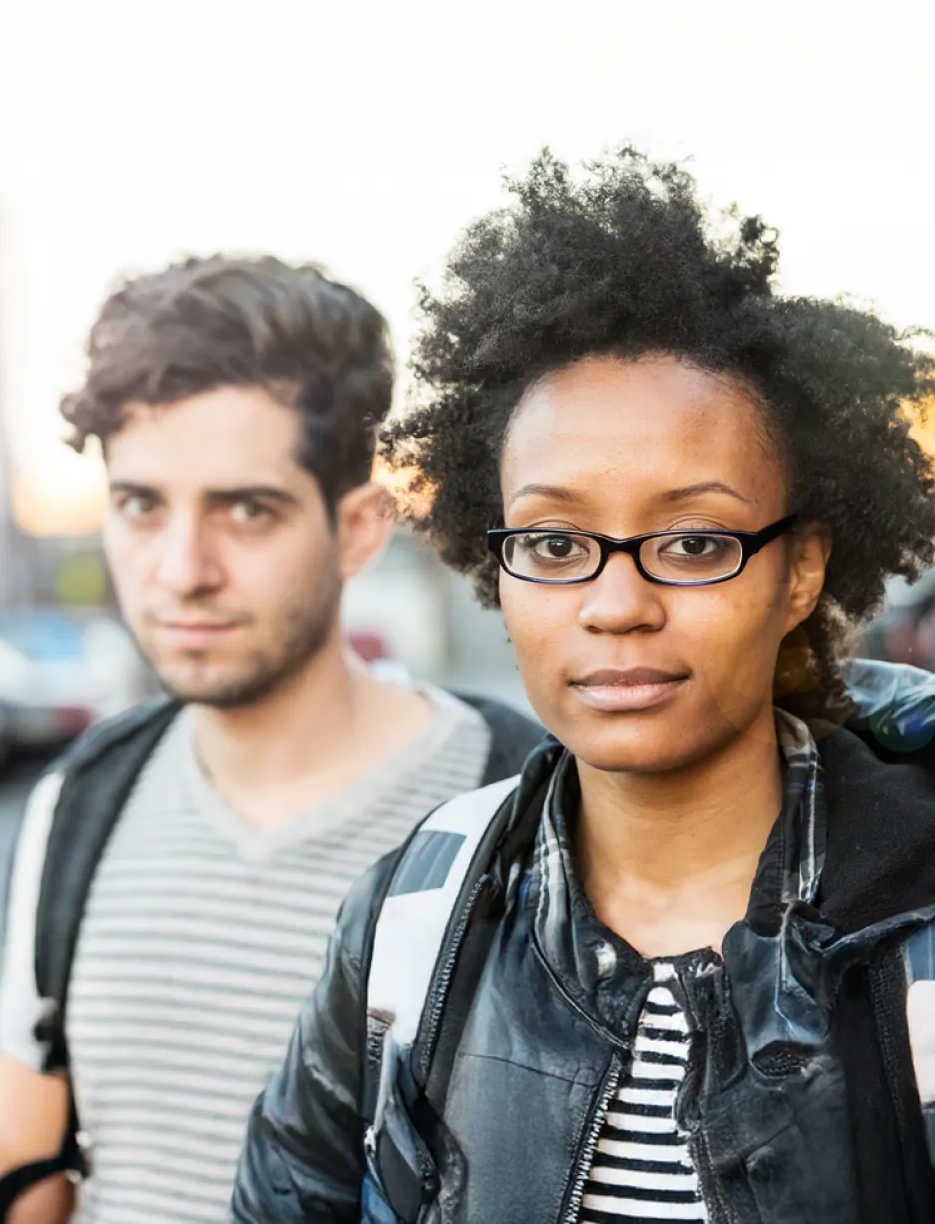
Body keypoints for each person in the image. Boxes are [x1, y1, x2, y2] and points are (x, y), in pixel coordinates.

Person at [232, 152, 935, 1223]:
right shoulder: (416, 916)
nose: (615, 604)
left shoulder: (914, 920)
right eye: (555, 543)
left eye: (693, 541)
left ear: (799, 571)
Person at [0, 256, 540, 1224]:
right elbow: (17, 1152)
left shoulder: (518, 809)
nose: (181, 569)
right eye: (141, 505)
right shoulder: (85, 796)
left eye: (246, 510)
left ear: (358, 530)